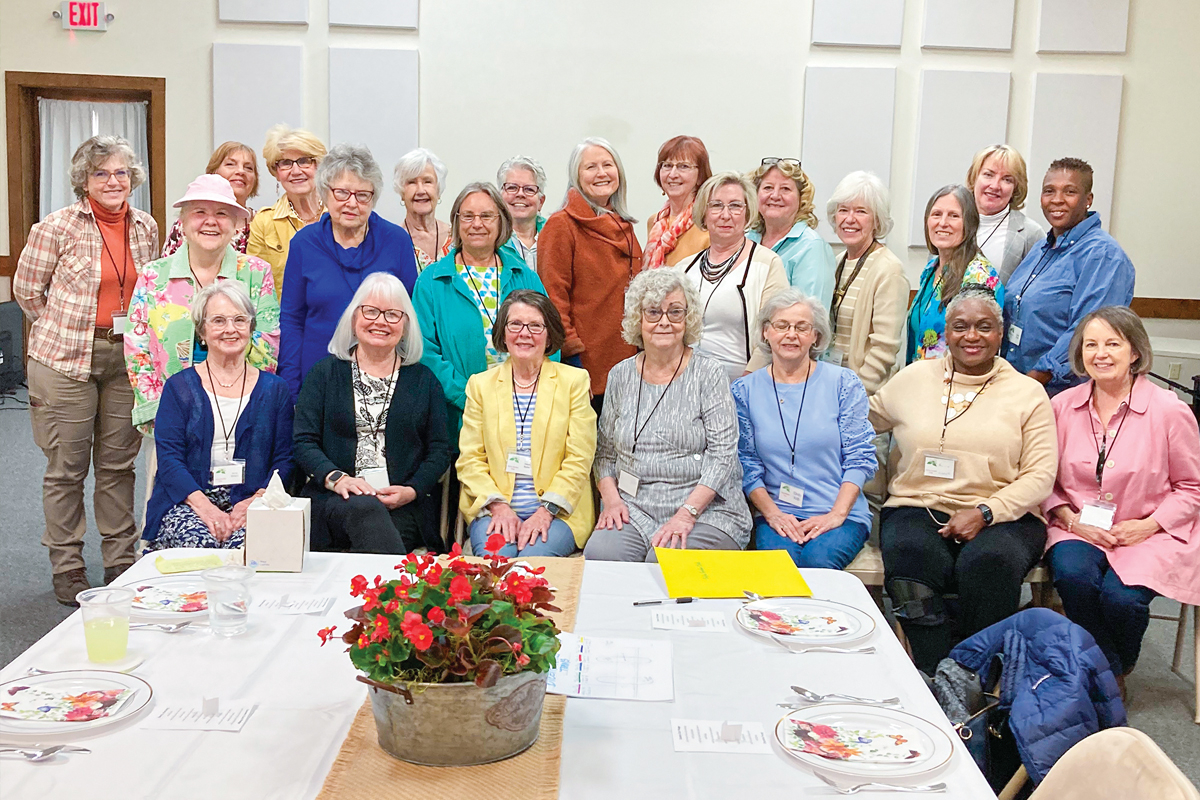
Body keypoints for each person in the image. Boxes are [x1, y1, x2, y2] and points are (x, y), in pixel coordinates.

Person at [870, 288, 1057, 673]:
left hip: (1005, 512)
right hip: (916, 505)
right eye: (961, 326)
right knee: (910, 561)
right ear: (947, 333)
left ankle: (979, 673)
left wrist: (986, 511)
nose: (972, 336)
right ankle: (942, 674)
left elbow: (1040, 475)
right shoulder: (913, 378)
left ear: (1000, 334)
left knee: (987, 564)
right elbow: (858, 420)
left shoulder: (1028, 393)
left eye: (984, 327)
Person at [15, 135, 159, 604]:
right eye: (101, 173)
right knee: (67, 469)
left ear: (132, 177)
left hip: (125, 360)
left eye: (121, 172)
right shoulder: (54, 228)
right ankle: (68, 565)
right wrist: (67, 328)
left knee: (119, 466)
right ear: (84, 180)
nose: (113, 181)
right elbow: (26, 291)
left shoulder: (145, 226)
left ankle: (120, 559)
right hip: (64, 361)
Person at [1044, 307, 1200, 684]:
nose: (1101, 353)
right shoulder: (1061, 407)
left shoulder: (1169, 411)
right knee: (1073, 577)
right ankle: (1108, 675)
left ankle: (1114, 667)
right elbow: (1043, 480)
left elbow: (1192, 488)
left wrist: (1147, 526)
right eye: (1091, 344)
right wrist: (1069, 518)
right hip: (1077, 526)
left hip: (1150, 529)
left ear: (1135, 353)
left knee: (1122, 600)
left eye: (1113, 343)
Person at [585, 268, 752, 562]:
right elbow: (605, 454)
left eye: (675, 312)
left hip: (705, 507)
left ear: (688, 319)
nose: (664, 321)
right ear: (638, 319)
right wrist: (611, 502)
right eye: (653, 312)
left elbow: (723, 454)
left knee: (663, 564)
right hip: (636, 505)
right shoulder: (620, 375)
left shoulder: (708, 373)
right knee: (601, 556)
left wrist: (687, 514)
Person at [293, 273, 452, 554]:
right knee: (366, 513)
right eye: (371, 311)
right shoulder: (325, 374)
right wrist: (336, 478)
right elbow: (304, 441)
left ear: (405, 325)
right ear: (354, 319)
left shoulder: (424, 381)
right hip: (334, 500)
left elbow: (439, 449)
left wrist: (412, 490)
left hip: (402, 505)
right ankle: (391, 595)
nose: (380, 321)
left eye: (392, 314)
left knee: (380, 534)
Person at [143, 283, 293, 550]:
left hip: (254, 499)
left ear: (251, 327)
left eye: (239, 320)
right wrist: (206, 510)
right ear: (202, 331)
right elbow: (169, 460)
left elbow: (285, 459)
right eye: (219, 321)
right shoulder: (178, 388)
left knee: (251, 548)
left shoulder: (275, 389)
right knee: (197, 544)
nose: (230, 329)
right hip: (188, 499)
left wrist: (256, 501)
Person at [126, 174, 279, 435]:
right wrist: (162, 412)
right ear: (183, 223)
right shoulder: (153, 275)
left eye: (221, 213)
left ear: (235, 224)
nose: (211, 221)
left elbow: (267, 346)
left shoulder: (256, 272)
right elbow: (137, 350)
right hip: (170, 414)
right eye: (199, 212)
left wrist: (242, 404)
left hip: (240, 412)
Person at [733, 289, 876, 568]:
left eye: (802, 327)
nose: (791, 335)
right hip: (778, 514)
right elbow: (746, 465)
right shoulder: (743, 391)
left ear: (816, 336)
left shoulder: (843, 384)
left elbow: (860, 458)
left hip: (839, 515)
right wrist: (772, 514)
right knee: (780, 571)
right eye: (781, 325)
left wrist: (836, 515)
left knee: (818, 563)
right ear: (765, 332)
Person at [457, 291, 597, 557]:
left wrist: (545, 512)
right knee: (497, 562)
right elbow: (470, 460)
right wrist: (499, 507)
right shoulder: (480, 385)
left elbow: (580, 458)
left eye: (535, 326)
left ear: (549, 335)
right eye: (515, 325)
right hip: (494, 508)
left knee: (533, 565)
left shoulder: (574, 382)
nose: (524, 333)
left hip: (558, 512)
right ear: (503, 333)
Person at [279, 144, 419, 403]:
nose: (351, 203)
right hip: (317, 379)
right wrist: (291, 388)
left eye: (362, 195)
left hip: (384, 381)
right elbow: (291, 320)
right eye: (342, 193)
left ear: (373, 197)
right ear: (325, 193)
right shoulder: (303, 243)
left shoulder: (396, 241)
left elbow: (410, 316)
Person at [413, 182, 550, 439]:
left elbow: (550, 340)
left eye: (487, 216)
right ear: (456, 222)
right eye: (468, 216)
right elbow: (424, 352)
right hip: (461, 417)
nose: (477, 224)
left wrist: (533, 394)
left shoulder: (525, 276)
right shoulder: (432, 281)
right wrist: (472, 398)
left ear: (501, 222)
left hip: (526, 413)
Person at [1003, 158, 1136, 396]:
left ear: (1088, 200)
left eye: (1070, 191)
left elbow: (1088, 330)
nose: (1057, 199)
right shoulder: (1041, 249)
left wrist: (1035, 380)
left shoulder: (1103, 255)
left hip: (1061, 393)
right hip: (1019, 384)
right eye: (1049, 191)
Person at [539, 137, 643, 414]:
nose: (601, 173)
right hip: (585, 372)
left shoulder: (625, 228)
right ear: (576, 176)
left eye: (607, 165)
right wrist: (573, 362)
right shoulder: (561, 226)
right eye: (591, 167)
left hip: (630, 369)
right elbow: (553, 300)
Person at [681, 172, 788, 381]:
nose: (725, 214)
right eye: (716, 205)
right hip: (685, 382)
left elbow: (776, 331)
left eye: (735, 206)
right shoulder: (683, 269)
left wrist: (746, 383)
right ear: (704, 213)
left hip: (742, 383)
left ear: (748, 214)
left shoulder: (767, 264)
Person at [824, 171, 909, 392]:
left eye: (861, 211)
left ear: (877, 220)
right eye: (843, 210)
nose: (849, 219)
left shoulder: (889, 270)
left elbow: (884, 348)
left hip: (864, 394)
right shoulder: (837, 262)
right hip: (830, 384)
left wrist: (857, 394)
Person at [907, 184, 1005, 363]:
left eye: (953, 216)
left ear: (969, 224)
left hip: (956, 382)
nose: (942, 222)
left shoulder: (979, 277)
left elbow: (979, 346)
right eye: (936, 214)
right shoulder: (931, 269)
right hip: (923, 378)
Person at [247, 125, 327, 296]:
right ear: (276, 172)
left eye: (304, 161)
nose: (296, 171)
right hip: (283, 320)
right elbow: (255, 286)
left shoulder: (339, 215)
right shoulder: (264, 222)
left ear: (319, 166)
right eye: (286, 163)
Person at [746, 158, 836, 309]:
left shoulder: (811, 247)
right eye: (768, 188)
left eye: (785, 189)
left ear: (801, 199)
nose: (775, 195)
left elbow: (810, 315)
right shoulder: (747, 239)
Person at [162, 141, 259, 257]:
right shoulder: (188, 223)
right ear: (214, 171)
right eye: (230, 164)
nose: (241, 171)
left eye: (248, 168)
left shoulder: (263, 222)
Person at [965, 144, 1044, 283]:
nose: (995, 186)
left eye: (1007, 179)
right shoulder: (949, 222)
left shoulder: (1031, 234)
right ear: (974, 177)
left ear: (1016, 187)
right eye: (988, 175)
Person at [642, 135, 711, 268]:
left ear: (700, 176)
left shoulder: (708, 222)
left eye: (683, 166)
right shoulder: (654, 221)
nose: (673, 174)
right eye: (667, 166)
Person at [395, 147, 452, 271]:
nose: (420, 190)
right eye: (412, 182)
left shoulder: (457, 238)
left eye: (427, 181)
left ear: (438, 190)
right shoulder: (392, 240)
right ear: (402, 192)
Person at [496, 156, 548, 271]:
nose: (520, 194)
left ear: (541, 201)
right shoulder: (489, 237)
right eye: (512, 187)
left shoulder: (556, 236)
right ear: (499, 198)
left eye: (529, 189)